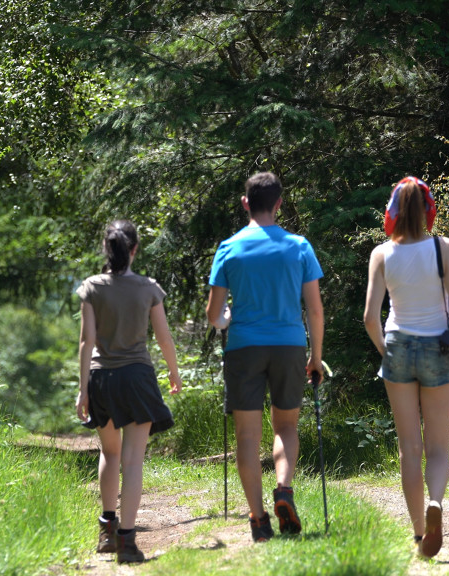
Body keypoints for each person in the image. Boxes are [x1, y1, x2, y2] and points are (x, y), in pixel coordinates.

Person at [206, 171, 325, 542]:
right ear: (279, 204)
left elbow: (215, 315)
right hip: (289, 344)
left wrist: (227, 318)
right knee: (285, 426)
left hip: (244, 347)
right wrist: (316, 357)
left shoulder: (229, 248)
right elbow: (315, 309)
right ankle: (284, 489)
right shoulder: (299, 246)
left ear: (245, 203)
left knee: (247, 435)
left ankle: (259, 520)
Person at [363, 176, 449, 558]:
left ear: (392, 211)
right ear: (427, 210)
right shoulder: (444, 248)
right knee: (438, 447)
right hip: (439, 346)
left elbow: (370, 318)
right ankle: (436, 501)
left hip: (398, 345)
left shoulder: (381, 254)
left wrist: (386, 351)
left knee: (410, 448)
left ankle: (419, 535)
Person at [76, 219, 183, 564]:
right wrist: (174, 371)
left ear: (106, 248)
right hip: (137, 377)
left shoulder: (92, 287)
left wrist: (83, 389)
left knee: (110, 453)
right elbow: (163, 337)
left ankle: (107, 531)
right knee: (133, 459)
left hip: (101, 378)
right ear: (135, 249)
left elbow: (86, 341)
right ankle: (127, 541)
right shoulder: (148, 288)